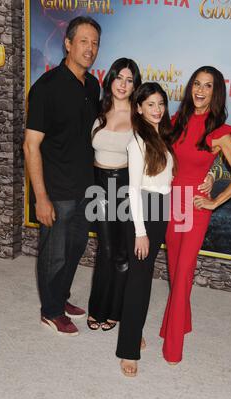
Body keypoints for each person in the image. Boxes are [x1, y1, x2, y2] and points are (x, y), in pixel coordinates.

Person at [160, 66, 231, 363]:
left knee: (184, 272)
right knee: (175, 273)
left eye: (207, 86)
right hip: (173, 203)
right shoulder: (175, 121)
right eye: (196, 84)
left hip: (196, 207)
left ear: (216, 92)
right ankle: (182, 323)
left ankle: (172, 349)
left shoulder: (219, 132)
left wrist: (214, 201)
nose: (200, 90)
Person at [23, 17, 101, 336]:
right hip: (56, 189)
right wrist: (41, 198)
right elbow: (31, 146)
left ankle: (61, 297)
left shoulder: (93, 85)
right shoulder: (46, 88)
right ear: (68, 44)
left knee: (75, 248)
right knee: (54, 253)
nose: (90, 48)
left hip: (85, 187)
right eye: (83, 41)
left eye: (95, 42)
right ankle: (51, 310)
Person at [115, 82, 177, 377]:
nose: (157, 110)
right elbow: (133, 190)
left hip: (160, 210)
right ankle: (128, 350)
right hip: (143, 211)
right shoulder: (137, 141)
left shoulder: (161, 136)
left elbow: (168, 179)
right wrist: (140, 231)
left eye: (161, 104)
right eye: (150, 104)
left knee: (144, 277)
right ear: (138, 107)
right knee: (139, 281)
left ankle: (133, 328)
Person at [87, 58, 142, 331]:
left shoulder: (139, 115)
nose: (123, 84)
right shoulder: (98, 109)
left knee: (121, 253)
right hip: (98, 185)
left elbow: (160, 149)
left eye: (130, 80)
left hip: (123, 186)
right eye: (119, 77)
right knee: (104, 250)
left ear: (135, 86)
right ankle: (97, 308)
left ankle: (115, 310)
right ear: (110, 79)